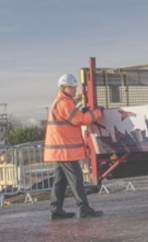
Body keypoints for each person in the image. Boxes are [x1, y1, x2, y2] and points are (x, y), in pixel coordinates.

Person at [44, 73, 104, 220]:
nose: (75, 90)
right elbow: (80, 120)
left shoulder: (60, 102)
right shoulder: (65, 102)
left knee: (60, 181)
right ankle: (83, 208)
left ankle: (56, 209)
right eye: (72, 87)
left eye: (75, 87)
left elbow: (73, 118)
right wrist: (97, 113)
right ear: (65, 88)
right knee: (76, 179)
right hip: (65, 151)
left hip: (60, 151)